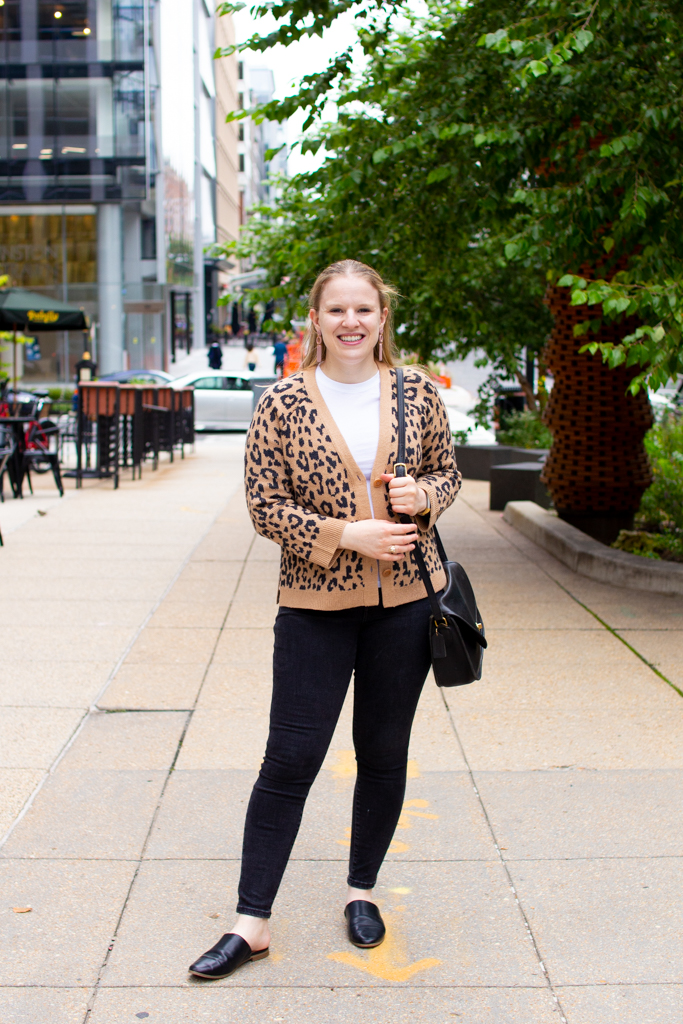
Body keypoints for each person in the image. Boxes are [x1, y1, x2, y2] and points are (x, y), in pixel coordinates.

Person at [189, 259, 460, 980]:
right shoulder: (281, 402)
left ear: (382, 317)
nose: (350, 322)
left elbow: (448, 475)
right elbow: (264, 507)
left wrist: (420, 497)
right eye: (336, 310)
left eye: (363, 311)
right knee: (289, 760)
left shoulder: (415, 395)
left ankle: (360, 891)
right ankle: (251, 924)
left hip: (404, 606)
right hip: (313, 608)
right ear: (315, 318)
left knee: (382, 752)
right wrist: (348, 536)